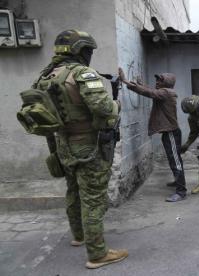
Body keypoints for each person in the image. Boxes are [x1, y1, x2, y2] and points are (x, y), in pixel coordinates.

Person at [36, 30, 127, 268]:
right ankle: (97, 254)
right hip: (88, 146)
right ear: (79, 51)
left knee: (73, 191)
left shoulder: (46, 76)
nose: (90, 55)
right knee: (94, 199)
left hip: (63, 144)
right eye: (88, 51)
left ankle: (79, 235)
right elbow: (104, 109)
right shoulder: (82, 73)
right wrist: (117, 103)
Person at [118, 69, 187, 202]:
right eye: (157, 79)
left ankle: (181, 191)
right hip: (170, 132)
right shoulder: (164, 93)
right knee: (175, 160)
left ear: (166, 83)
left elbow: (148, 92)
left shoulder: (166, 92)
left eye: (159, 80)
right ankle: (178, 182)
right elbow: (151, 91)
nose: (156, 82)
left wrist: (125, 80)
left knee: (175, 161)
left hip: (171, 132)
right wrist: (141, 84)